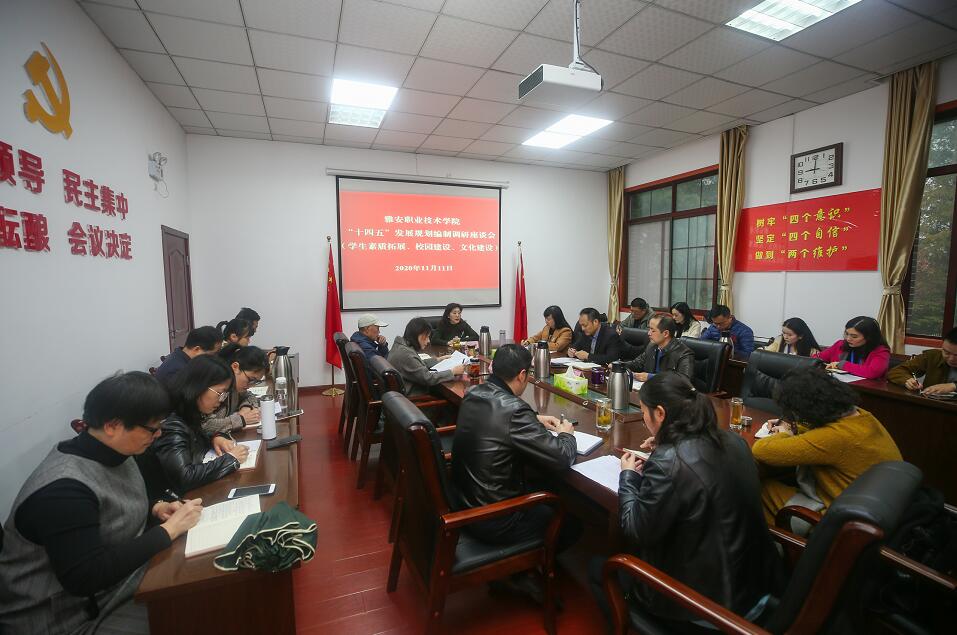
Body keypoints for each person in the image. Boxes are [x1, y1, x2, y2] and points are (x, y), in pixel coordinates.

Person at [0, 372, 203, 634]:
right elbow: (86, 576)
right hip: (67, 619)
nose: (158, 434)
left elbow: (111, 505)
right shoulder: (62, 492)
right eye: (152, 428)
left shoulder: (115, 451)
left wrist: (156, 508)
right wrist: (168, 530)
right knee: (191, 613)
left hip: (114, 587)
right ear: (112, 426)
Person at [590, 372, 781, 632]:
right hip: (754, 587)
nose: (644, 419)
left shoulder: (669, 461)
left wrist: (628, 476)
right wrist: (665, 445)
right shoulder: (734, 440)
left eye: (644, 412)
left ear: (660, 413)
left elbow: (635, 528)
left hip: (704, 608)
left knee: (599, 568)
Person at [453, 344, 580, 599]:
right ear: (522, 375)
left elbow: (501, 413)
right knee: (572, 524)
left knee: (546, 486)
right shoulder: (514, 410)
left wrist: (534, 418)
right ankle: (520, 571)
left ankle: (522, 569)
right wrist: (567, 435)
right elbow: (561, 456)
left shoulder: (474, 392)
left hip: (464, 501)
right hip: (494, 518)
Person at [753, 366, 901, 524]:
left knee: (756, 487)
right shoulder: (861, 416)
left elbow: (761, 450)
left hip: (839, 523)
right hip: (877, 514)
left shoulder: (835, 437)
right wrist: (794, 426)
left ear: (806, 409)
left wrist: (786, 432)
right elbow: (824, 434)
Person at [138, 355, 250, 497]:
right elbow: (184, 477)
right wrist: (231, 459)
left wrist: (216, 437)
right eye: (220, 393)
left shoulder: (191, 411)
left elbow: (198, 438)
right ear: (199, 386)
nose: (222, 400)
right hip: (177, 501)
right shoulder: (172, 424)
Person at [388, 317, 466, 398]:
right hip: (415, 399)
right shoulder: (406, 355)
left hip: (403, 396)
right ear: (419, 335)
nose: (428, 341)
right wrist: (452, 372)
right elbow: (428, 378)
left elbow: (415, 364)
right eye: (427, 336)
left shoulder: (401, 345)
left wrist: (438, 360)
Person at [200, 344, 268, 435]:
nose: (250, 386)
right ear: (235, 367)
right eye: (251, 379)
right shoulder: (214, 385)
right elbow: (205, 426)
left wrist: (246, 408)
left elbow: (249, 395)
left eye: (256, 382)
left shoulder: (236, 387)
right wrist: (241, 419)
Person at [888, 326, 957, 395]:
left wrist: (953, 386)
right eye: (946, 352)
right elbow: (896, 371)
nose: (951, 359)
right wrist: (907, 380)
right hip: (929, 400)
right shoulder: (933, 356)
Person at [815, 316, 890, 379]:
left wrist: (842, 365)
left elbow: (873, 372)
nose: (848, 339)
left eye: (854, 336)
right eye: (846, 334)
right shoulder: (840, 344)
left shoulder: (881, 351)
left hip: (864, 389)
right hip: (837, 385)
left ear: (869, 337)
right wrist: (820, 364)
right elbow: (816, 358)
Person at [625, 314, 694, 382]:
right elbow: (636, 364)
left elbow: (684, 380)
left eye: (653, 330)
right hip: (648, 387)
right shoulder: (651, 346)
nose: (649, 333)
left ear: (665, 334)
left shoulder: (684, 353)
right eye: (649, 329)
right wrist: (620, 365)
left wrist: (650, 377)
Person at [154, 325, 222, 386]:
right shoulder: (177, 371)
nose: (215, 358)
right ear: (197, 349)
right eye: (213, 354)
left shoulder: (180, 357)